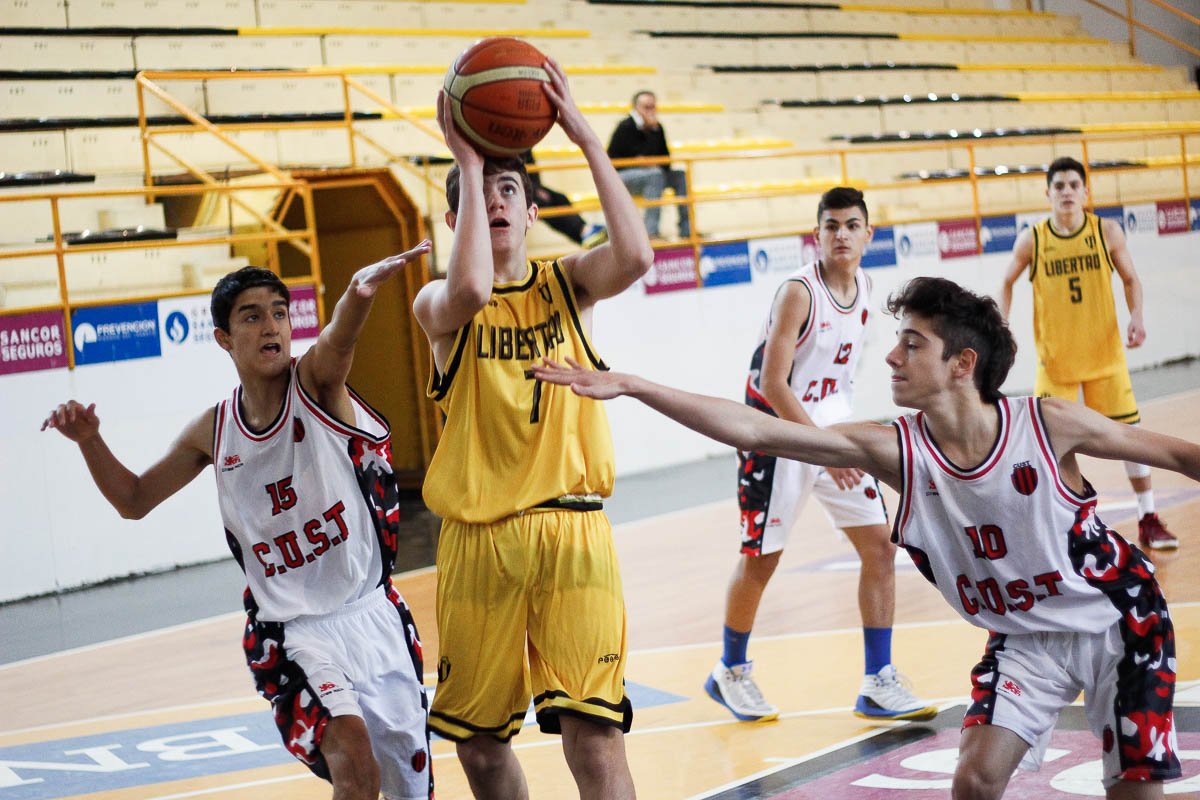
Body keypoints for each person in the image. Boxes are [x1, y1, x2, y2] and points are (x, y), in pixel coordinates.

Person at [534, 276, 1185, 800]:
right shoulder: (894, 449)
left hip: (1120, 621)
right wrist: (635, 385)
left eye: (912, 344)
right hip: (1024, 637)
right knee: (974, 781)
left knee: (1131, 788)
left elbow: (1179, 454)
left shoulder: (1047, 425)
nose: (892, 357)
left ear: (963, 364)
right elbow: (757, 430)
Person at [41, 248, 434, 800]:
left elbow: (339, 343)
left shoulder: (316, 385)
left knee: (411, 789)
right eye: (252, 316)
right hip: (295, 633)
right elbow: (133, 499)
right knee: (354, 759)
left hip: (372, 614)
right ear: (224, 338)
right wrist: (90, 441)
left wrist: (357, 295)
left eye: (279, 312)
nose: (271, 326)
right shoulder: (214, 430)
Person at [413, 58, 652, 799]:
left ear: (531, 209)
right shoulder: (436, 304)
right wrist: (467, 160)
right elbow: (472, 287)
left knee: (596, 741)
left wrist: (585, 137)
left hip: (572, 530)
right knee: (482, 750)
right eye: (478, 194)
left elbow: (637, 256)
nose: (495, 199)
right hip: (479, 541)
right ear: (453, 221)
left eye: (508, 189)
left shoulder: (568, 284)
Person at [708, 186, 935, 724]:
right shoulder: (799, 293)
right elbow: (772, 383)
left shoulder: (866, 286)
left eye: (852, 225)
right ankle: (729, 670)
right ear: (817, 234)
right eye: (831, 226)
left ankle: (878, 680)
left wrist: (839, 441)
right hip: (776, 436)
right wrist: (823, 449)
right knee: (762, 559)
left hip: (832, 433)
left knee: (880, 546)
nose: (841, 235)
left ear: (868, 235)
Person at [1000, 156, 1178, 551]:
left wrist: (1137, 316)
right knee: (1051, 446)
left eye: (1073, 185)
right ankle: (1066, 525)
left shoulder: (1106, 231)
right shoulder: (1033, 239)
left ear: (1085, 191)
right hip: (1056, 363)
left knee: (1130, 437)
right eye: (1059, 186)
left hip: (1104, 356)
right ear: (1047, 193)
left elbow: (1131, 279)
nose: (1066, 192)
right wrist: (1001, 323)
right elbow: (1006, 283)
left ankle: (1148, 517)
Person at [606, 90, 691, 241]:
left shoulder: (657, 128)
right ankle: (651, 233)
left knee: (680, 176)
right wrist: (640, 163)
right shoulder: (625, 127)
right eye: (647, 107)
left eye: (653, 107)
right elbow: (612, 161)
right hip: (624, 177)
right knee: (655, 175)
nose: (651, 111)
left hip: (653, 173)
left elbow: (666, 160)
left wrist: (652, 133)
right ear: (636, 108)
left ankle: (687, 230)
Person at [521, 149, 607, 248]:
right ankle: (586, 233)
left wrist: (537, 188)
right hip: (519, 187)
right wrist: (534, 189)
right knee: (543, 205)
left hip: (530, 185)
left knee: (561, 198)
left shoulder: (524, 145)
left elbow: (531, 166)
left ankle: (586, 231)